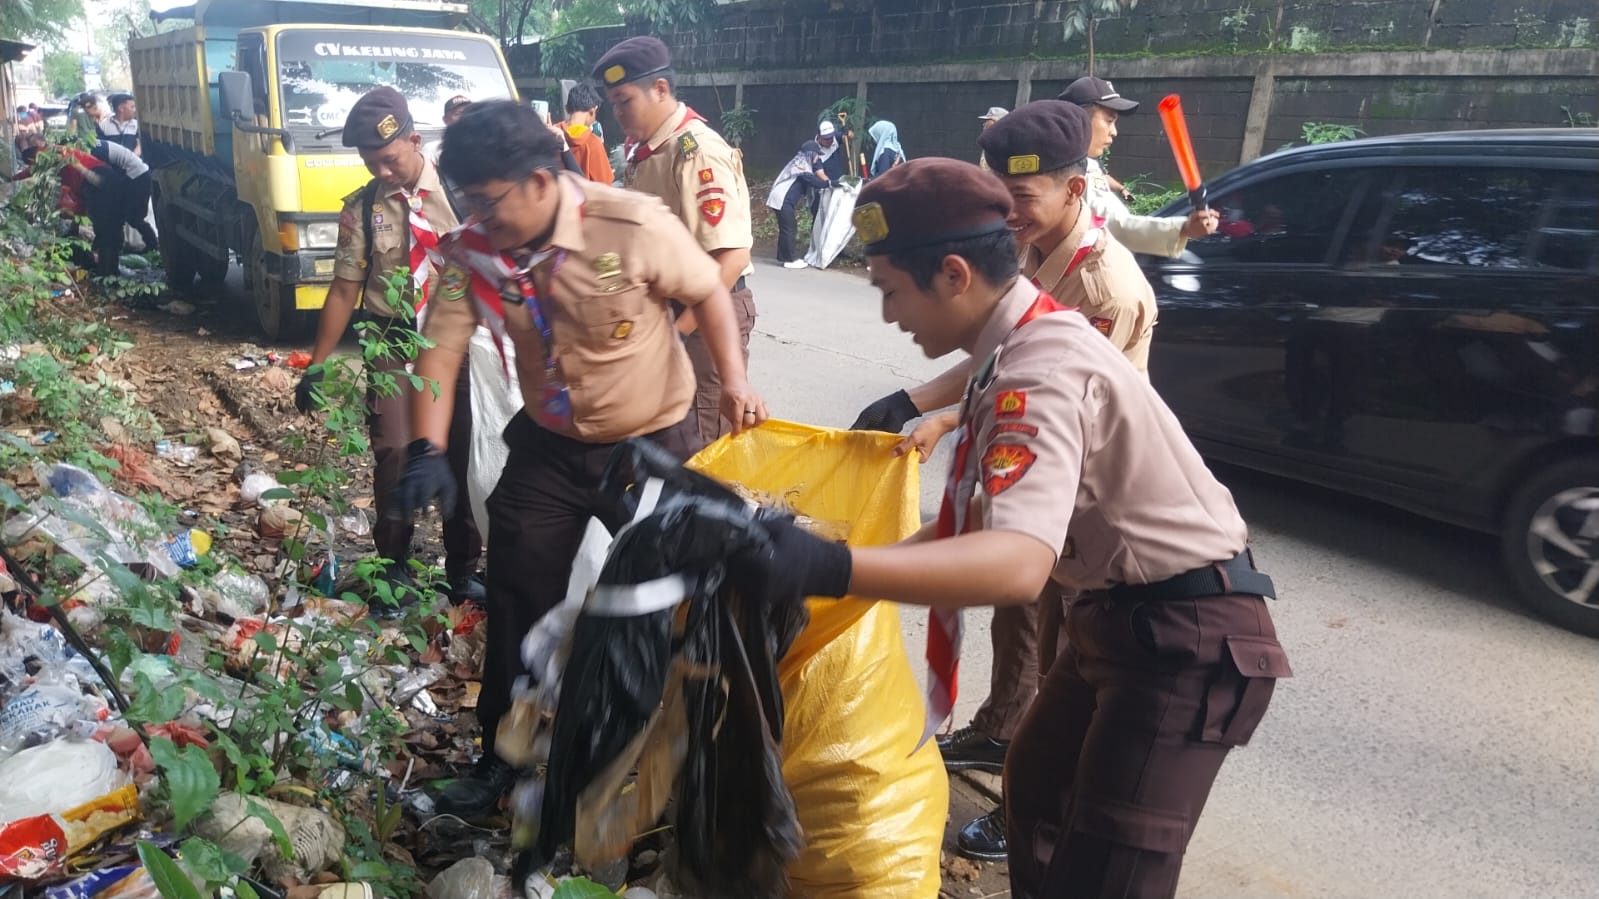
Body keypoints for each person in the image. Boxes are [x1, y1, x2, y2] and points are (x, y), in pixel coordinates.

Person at [735, 157, 1289, 899]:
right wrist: (851, 568)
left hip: (1185, 635)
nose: (890, 316)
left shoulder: (1042, 367)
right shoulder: (1018, 348)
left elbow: (1016, 565)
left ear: (955, 274)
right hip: (1116, 618)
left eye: (891, 292)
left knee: (1107, 871)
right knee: (1035, 796)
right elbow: (980, 521)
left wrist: (831, 569)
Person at [395, 99, 767, 815]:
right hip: (551, 447)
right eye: (467, 200)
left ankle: (654, 755)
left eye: (486, 199)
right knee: (514, 592)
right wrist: (425, 448)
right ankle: (502, 757)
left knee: (659, 598)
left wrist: (736, 380)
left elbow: (708, 294)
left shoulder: (629, 223)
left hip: (650, 440)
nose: (476, 214)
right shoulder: (475, 248)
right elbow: (438, 349)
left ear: (539, 180)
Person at [880, 101, 1163, 861]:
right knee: (1023, 628)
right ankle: (1001, 727)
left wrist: (849, 570)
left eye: (1024, 201)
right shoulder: (1028, 248)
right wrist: (923, 408)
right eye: (999, 199)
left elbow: (1037, 383)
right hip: (1032, 475)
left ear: (1075, 191)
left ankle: (1034, 802)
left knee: (1070, 658)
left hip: (1085, 511)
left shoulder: (1102, 287)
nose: (1009, 216)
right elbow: (997, 354)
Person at [293, 86, 485, 607]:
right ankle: (393, 567)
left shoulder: (462, 192)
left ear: (414, 140)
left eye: (389, 159)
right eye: (369, 162)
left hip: (458, 338)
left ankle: (463, 567)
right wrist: (317, 364)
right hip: (392, 336)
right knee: (396, 450)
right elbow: (344, 288)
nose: (382, 172)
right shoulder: (362, 208)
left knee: (461, 450)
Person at [595, 36, 758, 452]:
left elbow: (732, 255)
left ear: (661, 90)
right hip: (672, 314)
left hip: (704, 319)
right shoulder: (650, 151)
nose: (616, 113)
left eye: (624, 100)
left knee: (702, 447)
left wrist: (678, 330)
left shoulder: (696, 151)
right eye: (612, 103)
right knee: (666, 441)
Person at [1057, 76, 1219, 257]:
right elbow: (1112, 225)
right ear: (1079, 122)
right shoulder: (1073, 170)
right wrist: (1183, 228)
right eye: (1109, 121)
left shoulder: (1079, 163)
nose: (1114, 132)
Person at [85, 139, 159, 278]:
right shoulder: (95, 147)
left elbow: (106, 181)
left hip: (136, 176)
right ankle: (149, 245)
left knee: (125, 217)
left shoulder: (95, 153)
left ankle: (152, 245)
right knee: (125, 217)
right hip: (133, 175)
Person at [767, 139, 830, 269]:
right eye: (817, 154)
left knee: (786, 229)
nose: (818, 157)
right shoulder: (801, 165)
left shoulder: (800, 162)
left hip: (781, 199)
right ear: (811, 153)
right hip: (782, 200)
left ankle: (783, 258)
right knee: (790, 228)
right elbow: (811, 179)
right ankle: (790, 260)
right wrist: (828, 184)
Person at [561, 82, 614, 185]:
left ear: (567, 109)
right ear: (592, 111)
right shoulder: (593, 143)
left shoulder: (552, 134)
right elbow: (605, 186)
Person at [976, 106, 1007, 171]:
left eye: (988, 120)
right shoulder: (989, 141)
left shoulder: (1006, 143)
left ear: (998, 122)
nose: (984, 124)